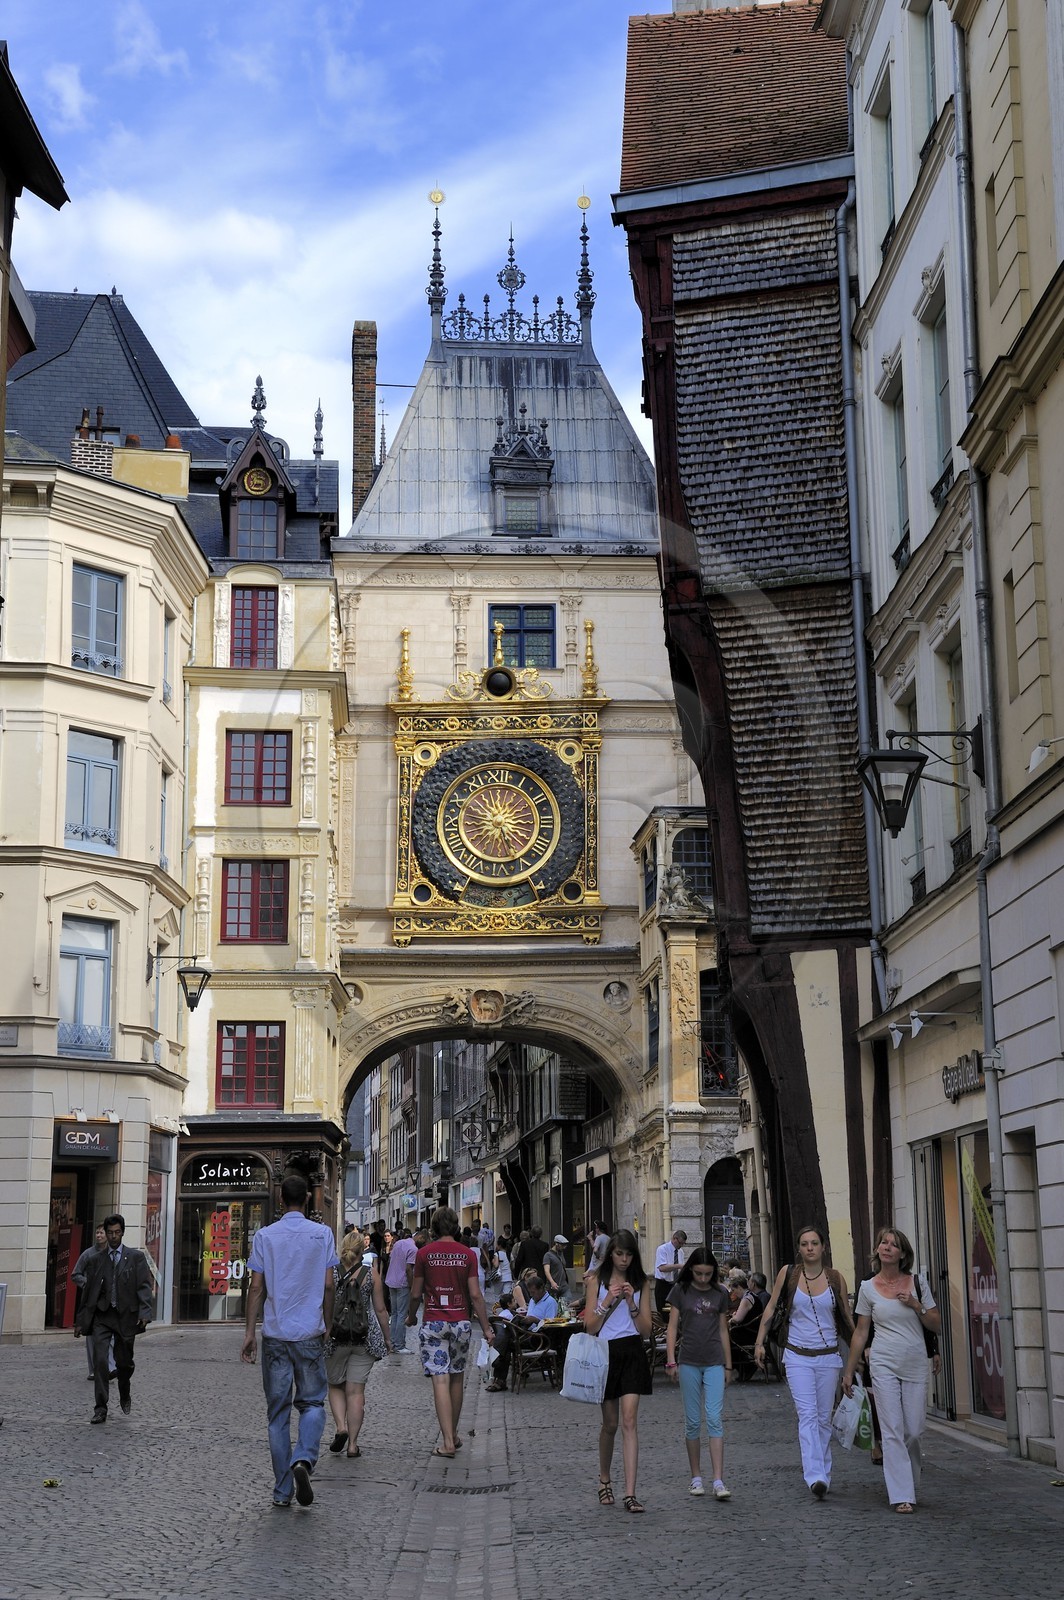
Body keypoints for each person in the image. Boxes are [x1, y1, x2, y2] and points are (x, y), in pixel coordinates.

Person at [241, 1174, 339, 1509]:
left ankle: (283, 1489)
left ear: (281, 1200)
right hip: (309, 1332)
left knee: (277, 1414)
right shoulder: (322, 1234)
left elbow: (256, 1287)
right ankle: (304, 1459)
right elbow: (328, 1285)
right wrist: (326, 1321)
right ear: (309, 1200)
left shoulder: (266, 1236)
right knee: (312, 1404)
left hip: (277, 1335)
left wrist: (250, 1332)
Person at [841, 1226, 942, 1515]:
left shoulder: (917, 1283)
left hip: (914, 1362)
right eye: (883, 1243)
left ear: (902, 1254)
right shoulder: (867, 1288)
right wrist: (849, 1371)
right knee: (892, 1430)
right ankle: (901, 1494)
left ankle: (909, 1480)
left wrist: (916, 1305)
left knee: (913, 1430)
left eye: (893, 1244)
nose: (887, 1247)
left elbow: (935, 1323)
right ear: (877, 1250)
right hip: (883, 1362)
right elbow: (861, 1333)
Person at [754, 1225, 853, 1499]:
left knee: (823, 1418)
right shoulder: (788, 1274)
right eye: (804, 1244)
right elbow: (771, 1307)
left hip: (828, 1357)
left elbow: (845, 1317)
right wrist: (759, 1342)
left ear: (823, 1247)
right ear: (799, 1248)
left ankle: (824, 1473)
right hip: (797, 1356)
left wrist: (858, 1355)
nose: (809, 1248)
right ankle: (815, 1475)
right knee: (807, 1416)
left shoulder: (836, 1279)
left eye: (814, 1243)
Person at [406, 1205, 494, 1458]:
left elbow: (415, 1293)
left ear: (433, 1228)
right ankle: (453, 1435)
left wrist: (412, 1316)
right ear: (456, 1227)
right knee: (457, 1378)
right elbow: (476, 1295)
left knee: (440, 1380)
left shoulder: (424, 1254)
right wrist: (487, 1327)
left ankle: (446, 1441)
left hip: (434, 1322)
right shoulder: (467, 1254)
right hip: (461, 1322)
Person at [585, 1228, 654, 1514]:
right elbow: (589, 1326)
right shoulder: (596, 1281)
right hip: (605, 1352)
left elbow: (648, 1331)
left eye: (628, 1254)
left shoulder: (640, 1283)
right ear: (610, 1254)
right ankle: (604, 1479)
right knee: (610, 1424)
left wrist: (632, 1303)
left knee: (629, 1421)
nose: (624, 1260)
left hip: (632, 1352)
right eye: (619, 1254)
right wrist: (605, 1302)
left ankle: (630, 1493)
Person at [665, 1246, 733, 1499]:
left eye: (707, 1274)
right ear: (690, 1270)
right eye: (698, 1273)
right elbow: (672, 1327)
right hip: (689, 1362)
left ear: (713, 1272)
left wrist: (729, 1364)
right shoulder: (680, 1291)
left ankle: (718, 1479)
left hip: (714, 1361)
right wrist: (671, 1361)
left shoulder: (720, 1293)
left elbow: (724, 1330)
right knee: (692, 1421)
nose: (702, 1278)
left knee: (714, 1418)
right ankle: (696, 1477)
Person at [74, 1214, 153, 1424]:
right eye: (110, 1233)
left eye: (117, 1232)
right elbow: (88, 1292)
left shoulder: (135, 1258)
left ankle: (124, 1390)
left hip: (126, 1318)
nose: (114, 1236)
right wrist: (81, 1321)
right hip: (103, 1316)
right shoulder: (95, 1260)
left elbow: (144, 1286)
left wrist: (145, 1313)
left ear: (123, 1232)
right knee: (100, 1360)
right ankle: (100, 1408)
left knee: (124, 1364)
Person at [326, 1229, 392, 1457]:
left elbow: (323, 1302)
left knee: (335, 1384)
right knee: (356, 1391)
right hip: (364, 1336)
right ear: (362, 1250)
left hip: (336, 1336)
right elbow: (381, 1309)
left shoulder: (332, 1273)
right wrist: (387, 1338)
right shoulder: (371, 1273)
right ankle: (353, 1445)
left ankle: (340, 1428)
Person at [486, 1273, 558, 1392]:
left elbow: (550, 1325)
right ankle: (499, 1377)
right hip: (526, 1332)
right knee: (506, 1336)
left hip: (538, 1337)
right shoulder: (534, 1300)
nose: (531, 1295)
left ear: (541, 1289)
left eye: (533, 1292)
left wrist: (535, 1320)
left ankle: (498, 1374)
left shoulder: (550, 1302)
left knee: (505, 1342)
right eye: (530, 1293)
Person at [70, 1225, 113, 1382]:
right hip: (91, 1301)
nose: (99, 1235)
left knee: (110, 1333)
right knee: (91, 1335)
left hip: (108, 1300)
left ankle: (109, 1367)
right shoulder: (88, 1254)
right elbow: (75, 1274)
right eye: (97, 1232)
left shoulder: (113, 1253)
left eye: (102, 1232)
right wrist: (88, 1284)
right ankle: (94, 1370)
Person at [385, 1227, 418, 1352]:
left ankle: (392, 1343)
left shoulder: (398, 1243)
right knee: (401, 1315)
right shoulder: (413, 1249)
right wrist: (412, 1286)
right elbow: (409, 1269)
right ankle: (399, 1345)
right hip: (403, 1283)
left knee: (394, 1314)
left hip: (391, 1281)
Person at [653, 1229, 688, 1317]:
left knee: (675, 1311)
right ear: (674, 1239)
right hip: (663, 1284)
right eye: (680, 1243)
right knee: (663, 1313)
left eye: (683, 1244)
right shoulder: (662, 1249)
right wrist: (678, 1266)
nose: (681, 1246)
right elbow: (662, 1267)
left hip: (674, 1284)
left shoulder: (680, 1252)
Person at [543, 1235, 570, 1304]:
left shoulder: (561, 1254)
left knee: (566, 1303)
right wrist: (552, 1282)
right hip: (553, 1286)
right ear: (556, 1244)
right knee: (552, 1305)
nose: (564, 1247)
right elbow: (546, 1270)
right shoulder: (548, 1255)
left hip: (563, 1285)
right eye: (562, 1245)